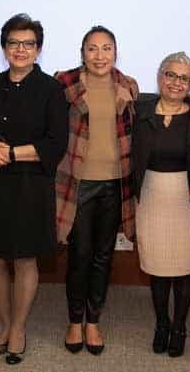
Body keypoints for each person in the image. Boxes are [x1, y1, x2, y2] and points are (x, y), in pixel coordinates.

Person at [0, 14, 68, 365]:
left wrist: (9, 152)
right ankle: (5, 323)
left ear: (38, 49)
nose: (20, 50)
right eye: (14, 43)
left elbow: (55, 143)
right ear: (4, 47)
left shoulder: (52, 91)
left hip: (30, 185)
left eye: (28, 44)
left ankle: (20, 328)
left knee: (24, 258)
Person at [54, 26, 138, 355]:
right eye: (92, 49)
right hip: (78, 183)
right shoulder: (64, 83)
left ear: (116, 53)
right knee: (79, 254)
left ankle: (93, 322)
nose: (99, 56)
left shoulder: (128, 85)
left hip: (115, 183)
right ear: (82, 52)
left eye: (106, 49)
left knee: (104, 255)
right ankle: (75, 321)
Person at [132, 52, 190, 357]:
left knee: (184, 268)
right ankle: (161, 324)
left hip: (187, 199)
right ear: (160, 77)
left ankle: (179, 326)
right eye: (171, 75)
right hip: (151, 194)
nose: (176, 83)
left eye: (184, 78)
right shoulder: (139, 112)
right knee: (157, 266)